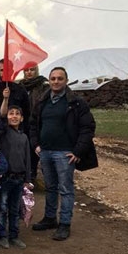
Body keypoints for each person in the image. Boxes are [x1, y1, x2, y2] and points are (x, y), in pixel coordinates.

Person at [30, 67, 97, 241]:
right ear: (49, 81)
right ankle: (50, 218)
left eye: (60, 78)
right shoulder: (42, 101)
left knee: (65, 189)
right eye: (53, 78)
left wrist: (78, 150)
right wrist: (35, 144)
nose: (56, 81)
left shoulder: (75, 102)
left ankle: (65, 223)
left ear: (66, 80)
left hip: (65, 153)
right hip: (45, 152)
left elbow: (87, 127)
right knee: (50, 188)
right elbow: (33, 124)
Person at [0, 87, 31, 249]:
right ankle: (1, 235)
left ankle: (14, 235)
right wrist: (5, 99)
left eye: (17, 114)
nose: (14, 116)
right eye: (12, 114)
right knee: (2, 208)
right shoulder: (3, 132)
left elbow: (27, 158)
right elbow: (1, 116)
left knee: (15, 209)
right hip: (5, 178)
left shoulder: (24, 137)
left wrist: (28, 179)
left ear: (22, 118)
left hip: (19, 178)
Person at [0, 59, 30, 133]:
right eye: (2, 70)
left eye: (8, 70)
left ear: (12, 71)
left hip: (17, 132)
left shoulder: (21, 90)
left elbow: (27, 114)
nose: (5, 73)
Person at [19, 64, 48, 181]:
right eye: (26, 70)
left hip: (38, 123)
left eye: (32, 70)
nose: (29, 72)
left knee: (37, 150)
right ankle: (28, 177)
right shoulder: (20, 86)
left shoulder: (43, 85)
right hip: (23, 123)